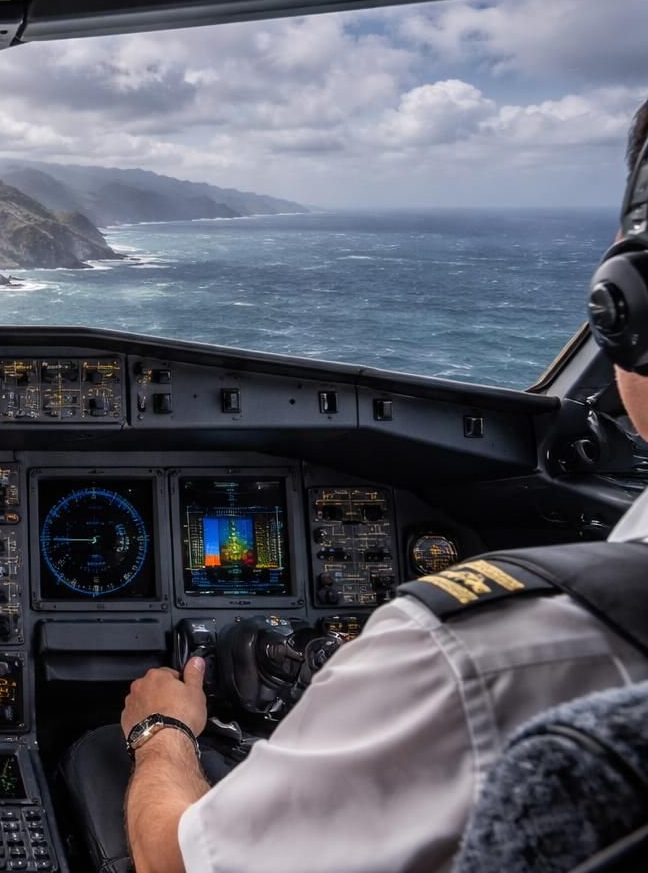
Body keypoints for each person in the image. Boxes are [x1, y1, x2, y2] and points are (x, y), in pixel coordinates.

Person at [110, 96, 648, 873]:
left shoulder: (464, 660)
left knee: (101, 757)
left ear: (627, 302)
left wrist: (160, 730)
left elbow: (175, 863)